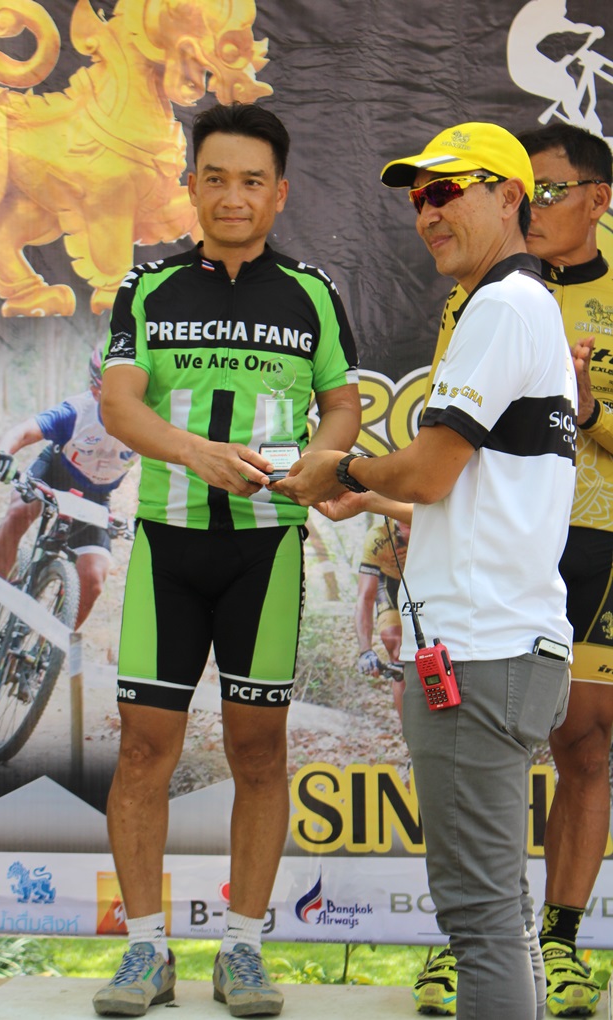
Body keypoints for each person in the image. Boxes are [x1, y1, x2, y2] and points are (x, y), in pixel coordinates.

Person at [274, 121, 577, 1020]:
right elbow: (484, 496)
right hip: (504, 648)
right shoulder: (524, 308)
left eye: (447, 190)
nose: (427, 213)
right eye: (417, 198)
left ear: (510, 197)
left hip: (479, 655)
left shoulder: (501, 306)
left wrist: (343, 471)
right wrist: (372, 496)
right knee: (500, 915)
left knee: (480, 923)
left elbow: (434, 471)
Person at [93, 101, 360, 1018]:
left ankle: (243, 949)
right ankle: (145, 950)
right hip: (167, 546)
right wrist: (194, 455)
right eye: (216, 178)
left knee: (257, 750)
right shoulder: (149, 286)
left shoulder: (312, 293)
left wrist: (323, 459)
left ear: (280, 192)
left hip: (264, 552)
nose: (233, 197)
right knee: (143, 750)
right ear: (191, 185)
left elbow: (342, 404)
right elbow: (119, 405)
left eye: (252, 181)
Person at [415, 123, 613, 1019]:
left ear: (597, 200)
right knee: (474, 759)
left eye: (551, 190)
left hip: (593, 537)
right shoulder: (479, 296)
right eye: (525, 189)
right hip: (496, 545)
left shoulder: (532, 298)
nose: (535, 205)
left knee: (584, 745)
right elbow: (444, 442)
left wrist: (588, 408)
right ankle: (479, 944)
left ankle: (556, 942)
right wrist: (389, 522)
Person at [0, 346, 138, 642]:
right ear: (95, 390)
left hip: (96, 497)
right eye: (112, 393)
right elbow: (24, 431)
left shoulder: (149, 423)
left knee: (94, 579)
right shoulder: (77, 412)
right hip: (55, 473)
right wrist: (3, 452)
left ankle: (49, 649)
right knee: (19, 511)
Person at [356, 517, 411, 719]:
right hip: (391, 582)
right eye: (405, 525)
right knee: (396, 648)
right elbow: (365, 598)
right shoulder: (379, 536)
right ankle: (408, 731)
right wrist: (365, 650)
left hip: (424, 580)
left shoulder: (437, 527)